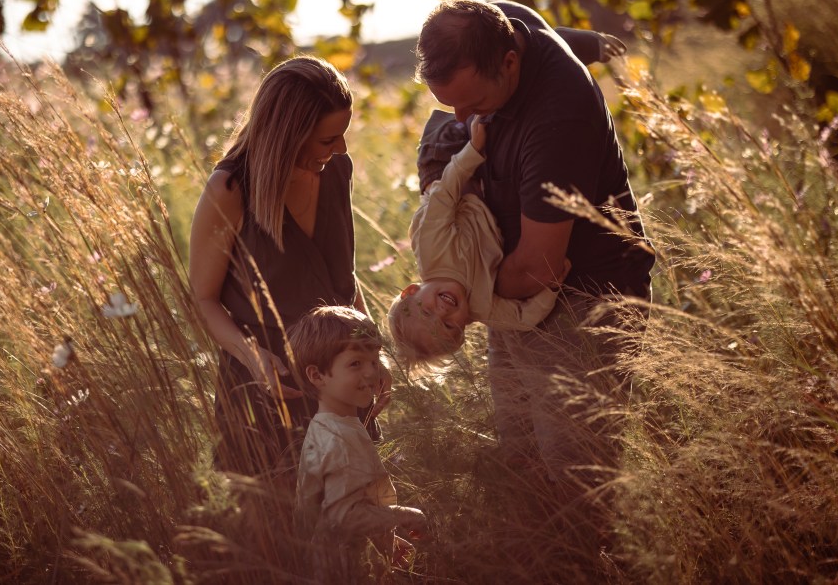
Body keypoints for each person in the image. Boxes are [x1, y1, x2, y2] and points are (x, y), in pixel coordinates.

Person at [414, 0, 655, 558]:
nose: (461, 119)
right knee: (519, 452)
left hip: (586, 301)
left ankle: (586, 567)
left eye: (473, 103)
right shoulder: (498, 23)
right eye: (448, 105)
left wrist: (465, 295)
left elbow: (542, 268)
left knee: (574, 476)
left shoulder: (559, 115)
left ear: (510, 63)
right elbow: (546, 29)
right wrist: (595, 43)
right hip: (513, 284)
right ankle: (538, 562)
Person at [188, 55, 386, 480]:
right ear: (288, 135)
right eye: (327, 139)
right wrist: (253, 359)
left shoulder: (337, 169)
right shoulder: (230, 189)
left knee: (354, 519)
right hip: (264, 389)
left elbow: (343, 280)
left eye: (343, 135)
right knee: (273, 527)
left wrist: (370, 351)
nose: (342, 150)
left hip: (339, 377)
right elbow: (203, 299)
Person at [387, 113, 568, 367]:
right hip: (482, 197)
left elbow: (445, 193)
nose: (442, 312)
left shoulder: (432, 252)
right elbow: (522, 318)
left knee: (476, 121)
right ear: (463, 330)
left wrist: (472, 149)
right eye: (448, 325)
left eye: (427, 312)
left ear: (411, 291)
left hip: (446, 169)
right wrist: (550, 287)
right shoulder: (481, 307)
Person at [290, 306, 427, 582]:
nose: (371, 374)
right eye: (356, 364)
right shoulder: (339, 437)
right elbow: (345, 517)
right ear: (317, 376)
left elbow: (347, 501)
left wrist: (385, 542)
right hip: (342, 569)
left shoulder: (326, 426)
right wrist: (406, 516)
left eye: (374, 361)